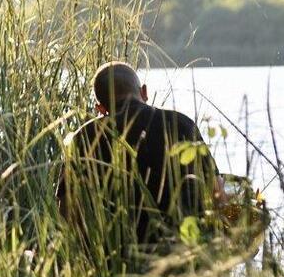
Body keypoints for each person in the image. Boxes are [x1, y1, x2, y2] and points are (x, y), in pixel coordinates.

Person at [58, 61, 223, 249]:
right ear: (144, 92)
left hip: (115, 258)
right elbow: (217, 193)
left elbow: (66, 211)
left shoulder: (84, 137)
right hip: (183, 251)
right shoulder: (181, 124)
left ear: (101, 108)